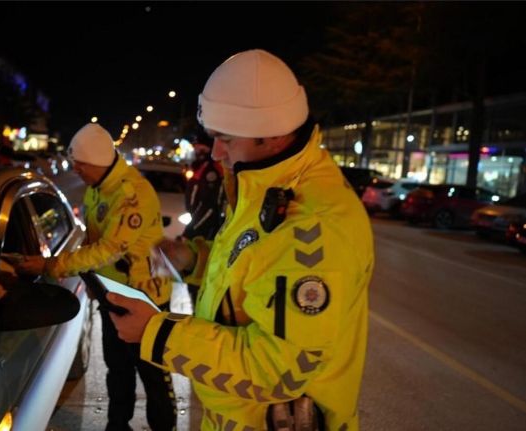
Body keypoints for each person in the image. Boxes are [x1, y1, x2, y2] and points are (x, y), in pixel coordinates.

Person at [107, 49, 374, 431]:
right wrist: (193, 260)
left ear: (275, 135)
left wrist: (157, 332)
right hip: (236, 414)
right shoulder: (263, 182)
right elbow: (252, 269)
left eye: (225, 139)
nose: (215, 152)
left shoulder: (312, 226)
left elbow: (278, 370)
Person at [13, 123, 177, 431]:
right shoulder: (96, 188)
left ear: (97, 163)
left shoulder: (131, 195)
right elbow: (91, 238)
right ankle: (118, 425)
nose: (75, 170)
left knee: (154, 373)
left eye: (80, 165)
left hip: (145, 298)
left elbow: (108, 250)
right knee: (117, 368)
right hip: (113, 293)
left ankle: (163, 428)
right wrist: (92, 280)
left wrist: (51, 265)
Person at [180, 128, 225, 308]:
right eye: (196, 148)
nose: (197, 152)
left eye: (200, 149)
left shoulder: (211, 170)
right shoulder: (201, 167)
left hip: (205, 235)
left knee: (198, 284)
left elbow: (209, 207)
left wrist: (191, 231)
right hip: (200, 231)